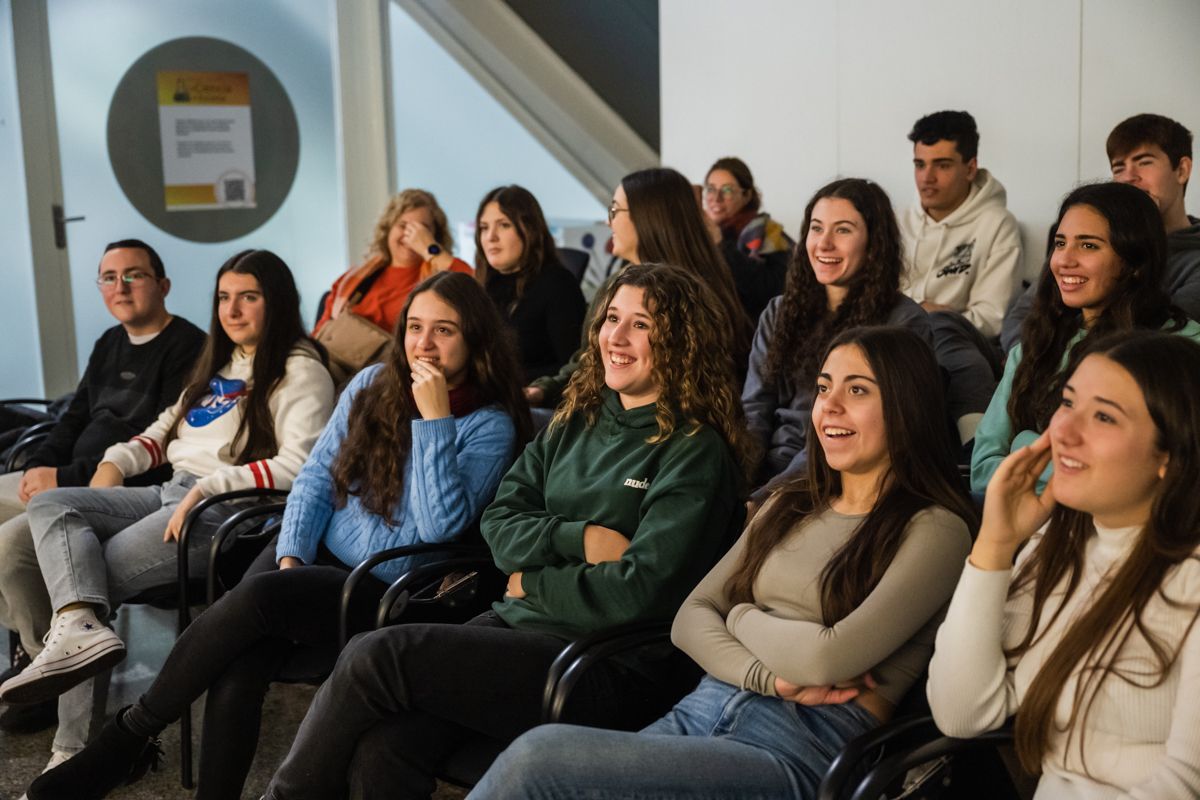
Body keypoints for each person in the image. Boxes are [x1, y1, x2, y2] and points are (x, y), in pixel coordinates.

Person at [22, 271, 533, 800]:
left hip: (387, 587)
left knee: (260, 598)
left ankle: (124, 740)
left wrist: (434, 421)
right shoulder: (369, 383)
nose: (423, 344)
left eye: (444, 331)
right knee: (240, 659)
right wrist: (292, 553)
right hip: (315, 557)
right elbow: (314, 478)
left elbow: (437, 527)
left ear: (474, 340)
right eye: (415, 327)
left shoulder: (488, 423)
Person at [256, 263, 751, 800]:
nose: (617, 336)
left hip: (600, 663)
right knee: (387, 744)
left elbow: (638, 591)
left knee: (375, 654)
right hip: (517, 626)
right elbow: (499, 522)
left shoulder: (695, 453)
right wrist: (579, 539)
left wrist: (532, 583)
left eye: (642, 325)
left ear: (680, 343)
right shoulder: (575, 421)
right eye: (612, 318)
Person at [470, 326, 976, 800]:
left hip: (795, 748)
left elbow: (827, 660)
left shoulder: (934, 529)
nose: (831, 407)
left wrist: (736, 616)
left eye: (858, 391)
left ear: (906, 406)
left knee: (537, 760)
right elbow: (689, 621)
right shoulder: (788, 504)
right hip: (698, 711)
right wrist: (766, 669)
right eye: (824, 388)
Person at [0, 250, 335, 774]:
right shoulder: (221, 364)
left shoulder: (300, 370)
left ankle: (73, 756)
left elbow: (301, 465)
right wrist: (115, 460)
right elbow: (160, 434)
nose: (233, 310)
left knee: (91, 579)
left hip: (223, 516)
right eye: (224, 298)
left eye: (249, 297)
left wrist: (211, 488)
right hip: (167, 493)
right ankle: (73, 634)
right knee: (49, 505)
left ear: (278, 303)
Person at [929, 331, 1200, 798]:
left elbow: (1184, 784)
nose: (1064, 433)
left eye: (1103, 417)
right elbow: (962, 713)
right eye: (1068, 402)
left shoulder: (1190, 578)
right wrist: (994, 545)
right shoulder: (1055, 544)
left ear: (1170, 457)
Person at [0, 239, 205, 734]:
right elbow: (71, 418)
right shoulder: (109, 343)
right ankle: (41, 650)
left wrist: (62, 479)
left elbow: (161, 443)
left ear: (163, 284)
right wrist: (41, 465)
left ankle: (54, 661)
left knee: (11, 547)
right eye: (109, 278)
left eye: (133, 275)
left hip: (120, 488)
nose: (121, 287)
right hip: (66, 476)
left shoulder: (189, 347)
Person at [970, 182, 1200, 492]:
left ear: (1134, 261)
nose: (1064, 260)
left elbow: (1157, 473)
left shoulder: (1182, 346)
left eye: (1088, 245)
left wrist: (1024, 446)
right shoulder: (1036, 347)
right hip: (1030, 530)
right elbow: (983, 472)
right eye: (1061, 243)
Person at [743, 178, 934, 502]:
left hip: (840, 479)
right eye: (816, 229)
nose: (824, 244)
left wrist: (764, 499)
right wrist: (735, 484)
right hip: (767, 475)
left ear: (875, 242)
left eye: (843, 230)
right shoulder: (779, 312)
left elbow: (881, 438)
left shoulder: (902, 323)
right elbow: (753, 412)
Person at [525, 167, 754, 407]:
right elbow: (588, 361)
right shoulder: (623, 282)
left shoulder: (688, 299)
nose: (608, 220)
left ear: (647, 217)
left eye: (614, 210)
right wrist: (544, 389)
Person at [1002, 113, 1198, 350]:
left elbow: (1162, 330)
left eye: (1144, 162)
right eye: (1118, 167)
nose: (1128, 177)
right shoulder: (1073, 242)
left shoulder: (1193, 259)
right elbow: (1025, 315)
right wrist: (1031, 361)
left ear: (1182, 170)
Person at [313, 190, 472, 381]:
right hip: (332, 368)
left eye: (422, 228)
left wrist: (429, 248)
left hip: (391, 376)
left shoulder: (438, 284)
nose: (410, 234)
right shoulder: (354, 278)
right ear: (388, 230)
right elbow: (319, 335)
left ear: (434, 236)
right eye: (403, 225)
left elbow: (473, 283)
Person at [900, 110, 1022, 339]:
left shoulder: (998, 225)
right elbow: (875, 300)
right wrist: (922, 309)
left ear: (970, 168)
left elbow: (991, 319)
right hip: (892, 343)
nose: (927, 177)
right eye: (920, 165)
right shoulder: (897, 222)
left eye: (942, 165)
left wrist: (935, 320)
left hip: (955, 344)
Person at [474, 185, 586, 383]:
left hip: (532, 403)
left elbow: (573, 367)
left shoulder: (558, 285)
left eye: (504, 225)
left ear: (530, 230)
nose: (491, 237)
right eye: (484, 228)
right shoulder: (482, 285)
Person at [702, 156, 795, 322]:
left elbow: (772, 289)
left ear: (746, 195)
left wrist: (722, 245)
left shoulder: (769, 233)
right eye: (710, 189)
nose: (716, 198)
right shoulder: (703, 236)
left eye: (727, 190)